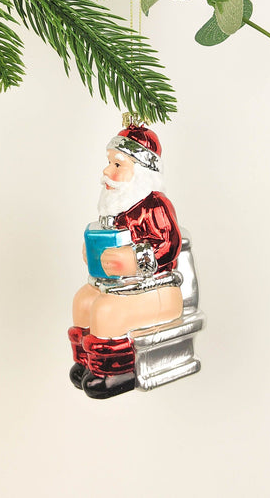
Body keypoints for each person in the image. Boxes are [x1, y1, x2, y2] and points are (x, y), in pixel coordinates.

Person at [68, 123, 183, 399]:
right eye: (109, 163)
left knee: (105, 310)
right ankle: (88, 362)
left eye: (118, 165)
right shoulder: (117, 207)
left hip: (158, 288)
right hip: (118, 285)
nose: (107, 172)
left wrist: (134, 259)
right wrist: (93, 253)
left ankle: (116, 371)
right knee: (83, 301)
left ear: (141, 172)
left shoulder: (154, 205)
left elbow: (169, 244)